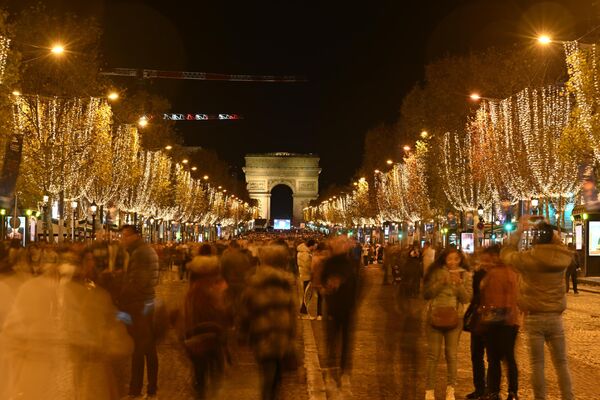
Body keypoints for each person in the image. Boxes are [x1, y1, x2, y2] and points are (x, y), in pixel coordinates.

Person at [501, 218, 574, 400]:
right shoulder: (562, 258)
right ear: (553, 238)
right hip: (555, 317)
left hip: (534, 317)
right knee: (562, 363)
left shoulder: (528, 259)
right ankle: (568, 397)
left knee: (537, 365)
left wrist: (519, 230)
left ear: (535, 239)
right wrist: (552, 235)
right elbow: (561, 246)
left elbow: (506, 254)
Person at [240, 244, 296, 400]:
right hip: (282, 338)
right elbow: (292, 314)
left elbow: (245, 310)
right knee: (276, 379)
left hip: (262, 336)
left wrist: (243, 333)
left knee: (268, 378)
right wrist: (292, 338)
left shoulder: (254, 282)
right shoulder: (286, 283)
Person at [175, 255, 231, 399]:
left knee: (200, 376)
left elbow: (187, 314)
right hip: (212, 336)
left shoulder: (194, 290)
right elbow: (224, 310)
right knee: (212, 375)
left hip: (197, 337)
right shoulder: (216, 286)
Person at [423, 248, 472, 400]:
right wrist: (440, 282)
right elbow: (427, 293)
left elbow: (466, 298)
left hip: (455, 319)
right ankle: (429, 390)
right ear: (444, 259)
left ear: (460, 260)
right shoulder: (435, 272)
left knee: (451, 355)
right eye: (449, 259)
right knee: (433, 355)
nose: (452, 262)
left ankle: (450, 389)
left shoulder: (465, 274)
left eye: (456, 259)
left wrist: (458, 285)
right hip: (434, 316)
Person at [118, 225, 160, 399]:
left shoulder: (140, 253)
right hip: (147, 301)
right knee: (148, 346)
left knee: (139, 347)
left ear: (136, 236)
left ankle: (136, 388)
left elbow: (138, 282)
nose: (123, 239)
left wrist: (120, 298)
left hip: (139, 304)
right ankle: (151, 385)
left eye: (126, 236)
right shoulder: (143, 251)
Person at [479, 245, 520, 400]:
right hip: (509, 321)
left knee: (496, 358)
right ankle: (511, 391)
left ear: (496, 257)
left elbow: (504, 296)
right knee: (507, 358)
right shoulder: (511, 271)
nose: (484, 262)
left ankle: (496, 391)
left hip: (499, 320)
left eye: (487, 259)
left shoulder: (498, 273)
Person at [464, 250, 489, 400]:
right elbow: (473, 295)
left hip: (490, 318)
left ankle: (489, 390)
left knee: (489, 357)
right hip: (479, 317)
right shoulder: (478, 274)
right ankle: (480, 388)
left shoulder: (495, 274)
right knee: (477, 355)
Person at [297, 239, 316, 317]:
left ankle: (303, 310)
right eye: (314, 246)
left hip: (304, 274)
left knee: (306, 293)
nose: (315, 248)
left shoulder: (304, 252)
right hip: (306, 275)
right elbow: (308, 266)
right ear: (311, 246)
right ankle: (304, 312)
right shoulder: (306, 254)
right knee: (307, 294)